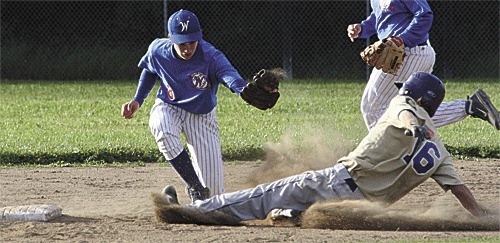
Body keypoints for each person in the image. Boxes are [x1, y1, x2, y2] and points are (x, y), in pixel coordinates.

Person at [154, 72, 487, 225]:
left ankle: (195, 211)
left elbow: (404, 111)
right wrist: (484, 218)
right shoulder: (439, 152)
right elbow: (461, 192)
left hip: (338, 180)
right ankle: (295, 216)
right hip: (361, 209)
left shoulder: (407, 106)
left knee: (263, 195)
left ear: (415, 97)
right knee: (292, 202)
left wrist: (412, 124)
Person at [121, 10, 278, 202]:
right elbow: (150, 68)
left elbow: (229, 75)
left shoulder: (211, 56)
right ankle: (194, 187)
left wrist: (243, 90)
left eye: (191, 42)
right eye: (182, 43)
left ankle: (187, 199)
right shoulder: (158, 50)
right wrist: (138, 100)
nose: (187, 48)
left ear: (199, 37)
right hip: (169, 107)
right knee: (161, 128)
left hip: (202, 117)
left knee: (213, 199)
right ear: (171, 38)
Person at [346, 0, 499, 130]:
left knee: (373, 108)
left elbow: (424, 15)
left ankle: (386, 153)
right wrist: (362, 28)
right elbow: (380, 17)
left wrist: (403, 40)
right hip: (408, 54)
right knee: (412, 109)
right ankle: (470, 106)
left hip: (409, 53)